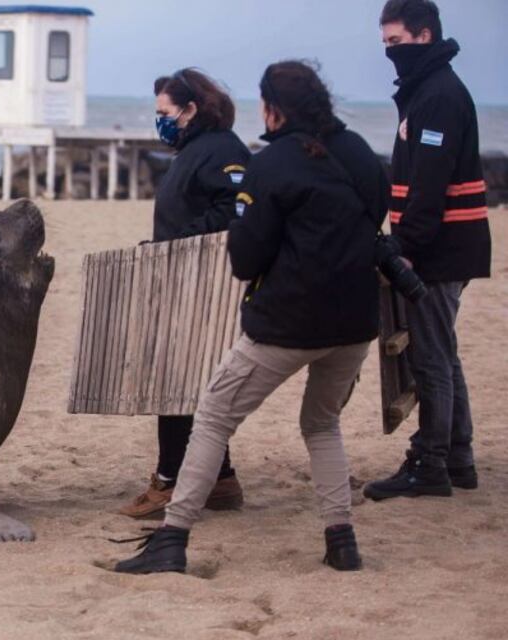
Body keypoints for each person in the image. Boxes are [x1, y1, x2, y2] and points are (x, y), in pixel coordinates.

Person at [114, 60, 388, 574]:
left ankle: (172, 539)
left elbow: (245, 257)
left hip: (289, 321)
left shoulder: (272, 164)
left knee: (214, 414)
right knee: (322, 423)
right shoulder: (359, 154)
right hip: (355, 320)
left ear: (273, 108)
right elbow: (372, 217)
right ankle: (341, 540)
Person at [364, 0, 491, 501]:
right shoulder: (427, 90)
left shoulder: (437, 96)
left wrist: (406, 246)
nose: (390, 54)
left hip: (441, 248)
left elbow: (430, 184)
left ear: (424, 35)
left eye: (395, 43)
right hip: (446, 245)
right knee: (445, 355)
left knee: (431, 358)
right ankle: (458, 456)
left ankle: (431, 462)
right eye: (385, 45)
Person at [118, 68, 250, 519]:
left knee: (174, 384)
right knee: (193, 385)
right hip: (181, 277)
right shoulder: (197, 149)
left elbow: (232, 212)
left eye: (165, 112)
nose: (161, 121)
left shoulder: (221, 150)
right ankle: (222, 478)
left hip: (200, 281)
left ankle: (169, 480)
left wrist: (171, 246)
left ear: (192, 109)